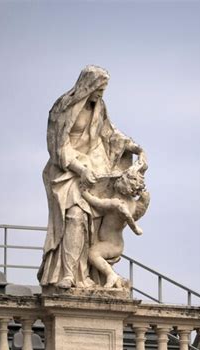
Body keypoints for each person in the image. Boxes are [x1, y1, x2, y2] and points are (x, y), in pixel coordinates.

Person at [37, 65, 145, 288]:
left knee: (95, 224)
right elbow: (58, 146)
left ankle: (86, 274)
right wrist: (80, 169)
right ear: (88, 84)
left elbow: (110, 134)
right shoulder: (63, 107)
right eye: (99, 88)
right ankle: (69, 274)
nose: (101, 94)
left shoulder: (99, 107)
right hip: (68, 172)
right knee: (76, 216)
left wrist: (134, 147)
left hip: (96, 171)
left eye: (104, 90)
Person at [81, 162, 150, 288]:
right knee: (93, 254)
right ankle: (115, 278)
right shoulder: (133, 205)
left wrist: (84, 193)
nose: (117, 181)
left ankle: (111, 275)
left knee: (93, 254)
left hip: (112, 244)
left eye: (120, 179)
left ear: (124, 184)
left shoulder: (116, 203)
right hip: (117, 243)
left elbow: (97, 203)